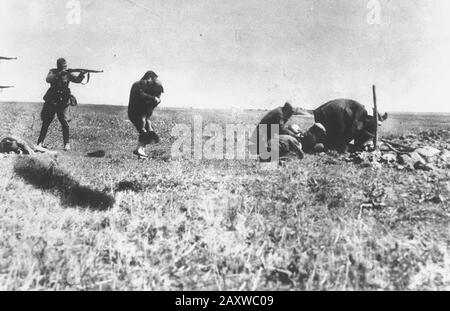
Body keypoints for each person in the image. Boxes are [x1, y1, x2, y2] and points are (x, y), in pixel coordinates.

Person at [37, 58, 85, 151]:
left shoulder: (68, 73)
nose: (65, 68)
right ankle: (40, 142)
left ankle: (66, 144)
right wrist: (59, 74)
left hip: (63, 101)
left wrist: (82, 74)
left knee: (65, 122)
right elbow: (48, 79)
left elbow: (77, 80)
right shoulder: (52, 72)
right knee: (46, 121)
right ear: (58, 66)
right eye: (63, 66)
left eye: (65, 66)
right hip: (52, 100)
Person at [128, 71, 164, 158]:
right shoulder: (138, 85)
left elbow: (152, 101)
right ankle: (139, 150)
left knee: (150, 132)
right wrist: (153, 99)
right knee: (144, 131)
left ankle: (141, 152)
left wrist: (155, 100)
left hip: (143, 114)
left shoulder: (148, 87)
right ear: (150, 77)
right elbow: (141, 95)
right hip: (136, 113)